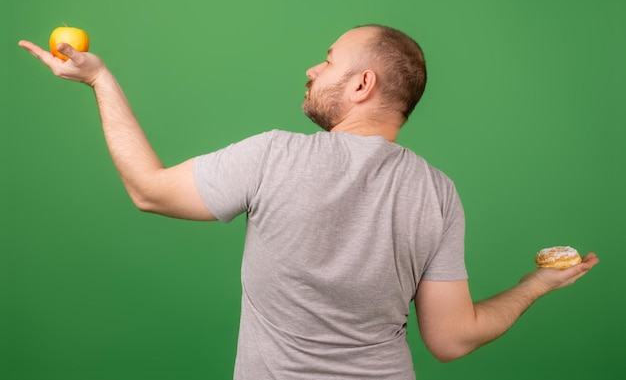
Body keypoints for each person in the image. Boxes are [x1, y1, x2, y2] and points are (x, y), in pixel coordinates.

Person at [19, 24, 599, 380]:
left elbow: (148, 190)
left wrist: (100, 81)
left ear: (362, 85)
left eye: (328, 61)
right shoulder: (436, 191)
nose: (312, 69)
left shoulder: (274, 156)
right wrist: (535, 285)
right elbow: (450, 340)